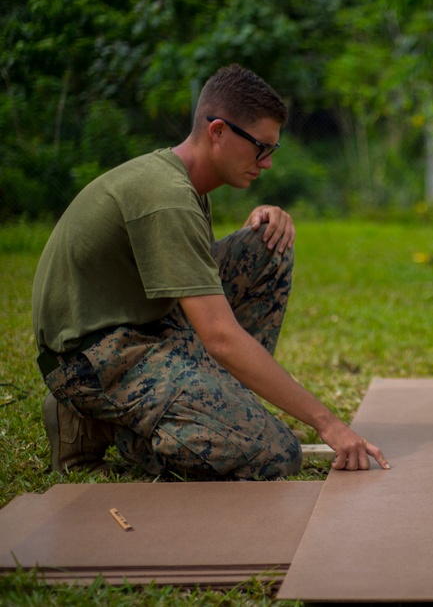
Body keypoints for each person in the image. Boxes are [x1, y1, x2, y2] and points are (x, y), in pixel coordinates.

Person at [32, 64, 390, 479]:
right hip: (94, 359)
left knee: (266, 248)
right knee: (274, 454)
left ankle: (215, 408)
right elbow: (219, 335)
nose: (267, 163)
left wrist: (261, 223)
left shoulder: (179, 183)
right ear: (217, 131)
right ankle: (100, 424)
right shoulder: (166, 196)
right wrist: (328, 423)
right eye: (261, 147)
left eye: (271, 150)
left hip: (143, 326)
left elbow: (191, 275)